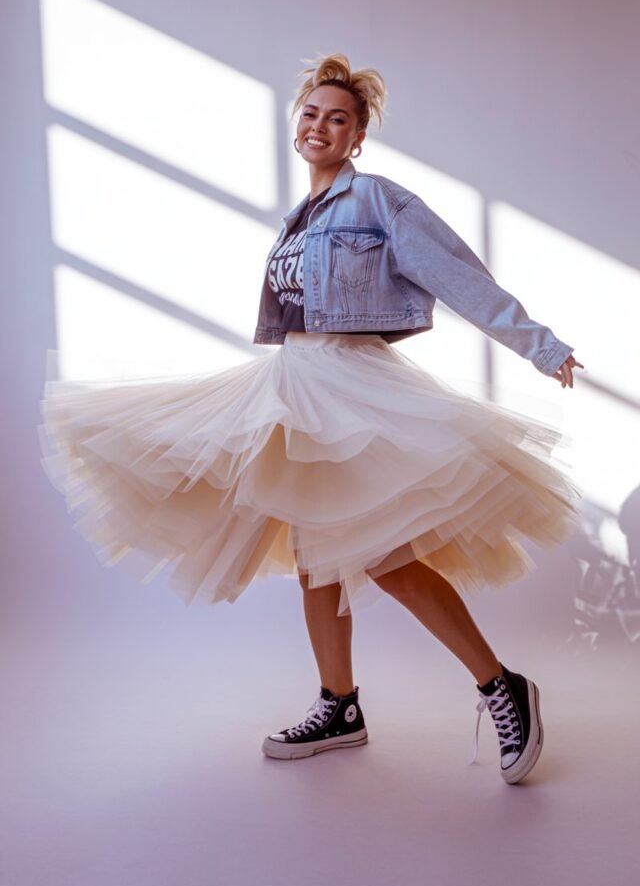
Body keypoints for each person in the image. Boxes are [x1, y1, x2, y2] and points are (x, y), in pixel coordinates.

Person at [39, 52, 584, 786]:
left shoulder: (379, 202)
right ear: (297, 128)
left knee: (386, 558)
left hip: (349, 388)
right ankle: (340, 705)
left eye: (338, 117)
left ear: (357, 137)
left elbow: (458, 274)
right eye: (311, 114)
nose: (321, 126)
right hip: (293, 384)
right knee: (315, 560)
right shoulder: (297, 221)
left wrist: (540, 346)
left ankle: (500, 685)